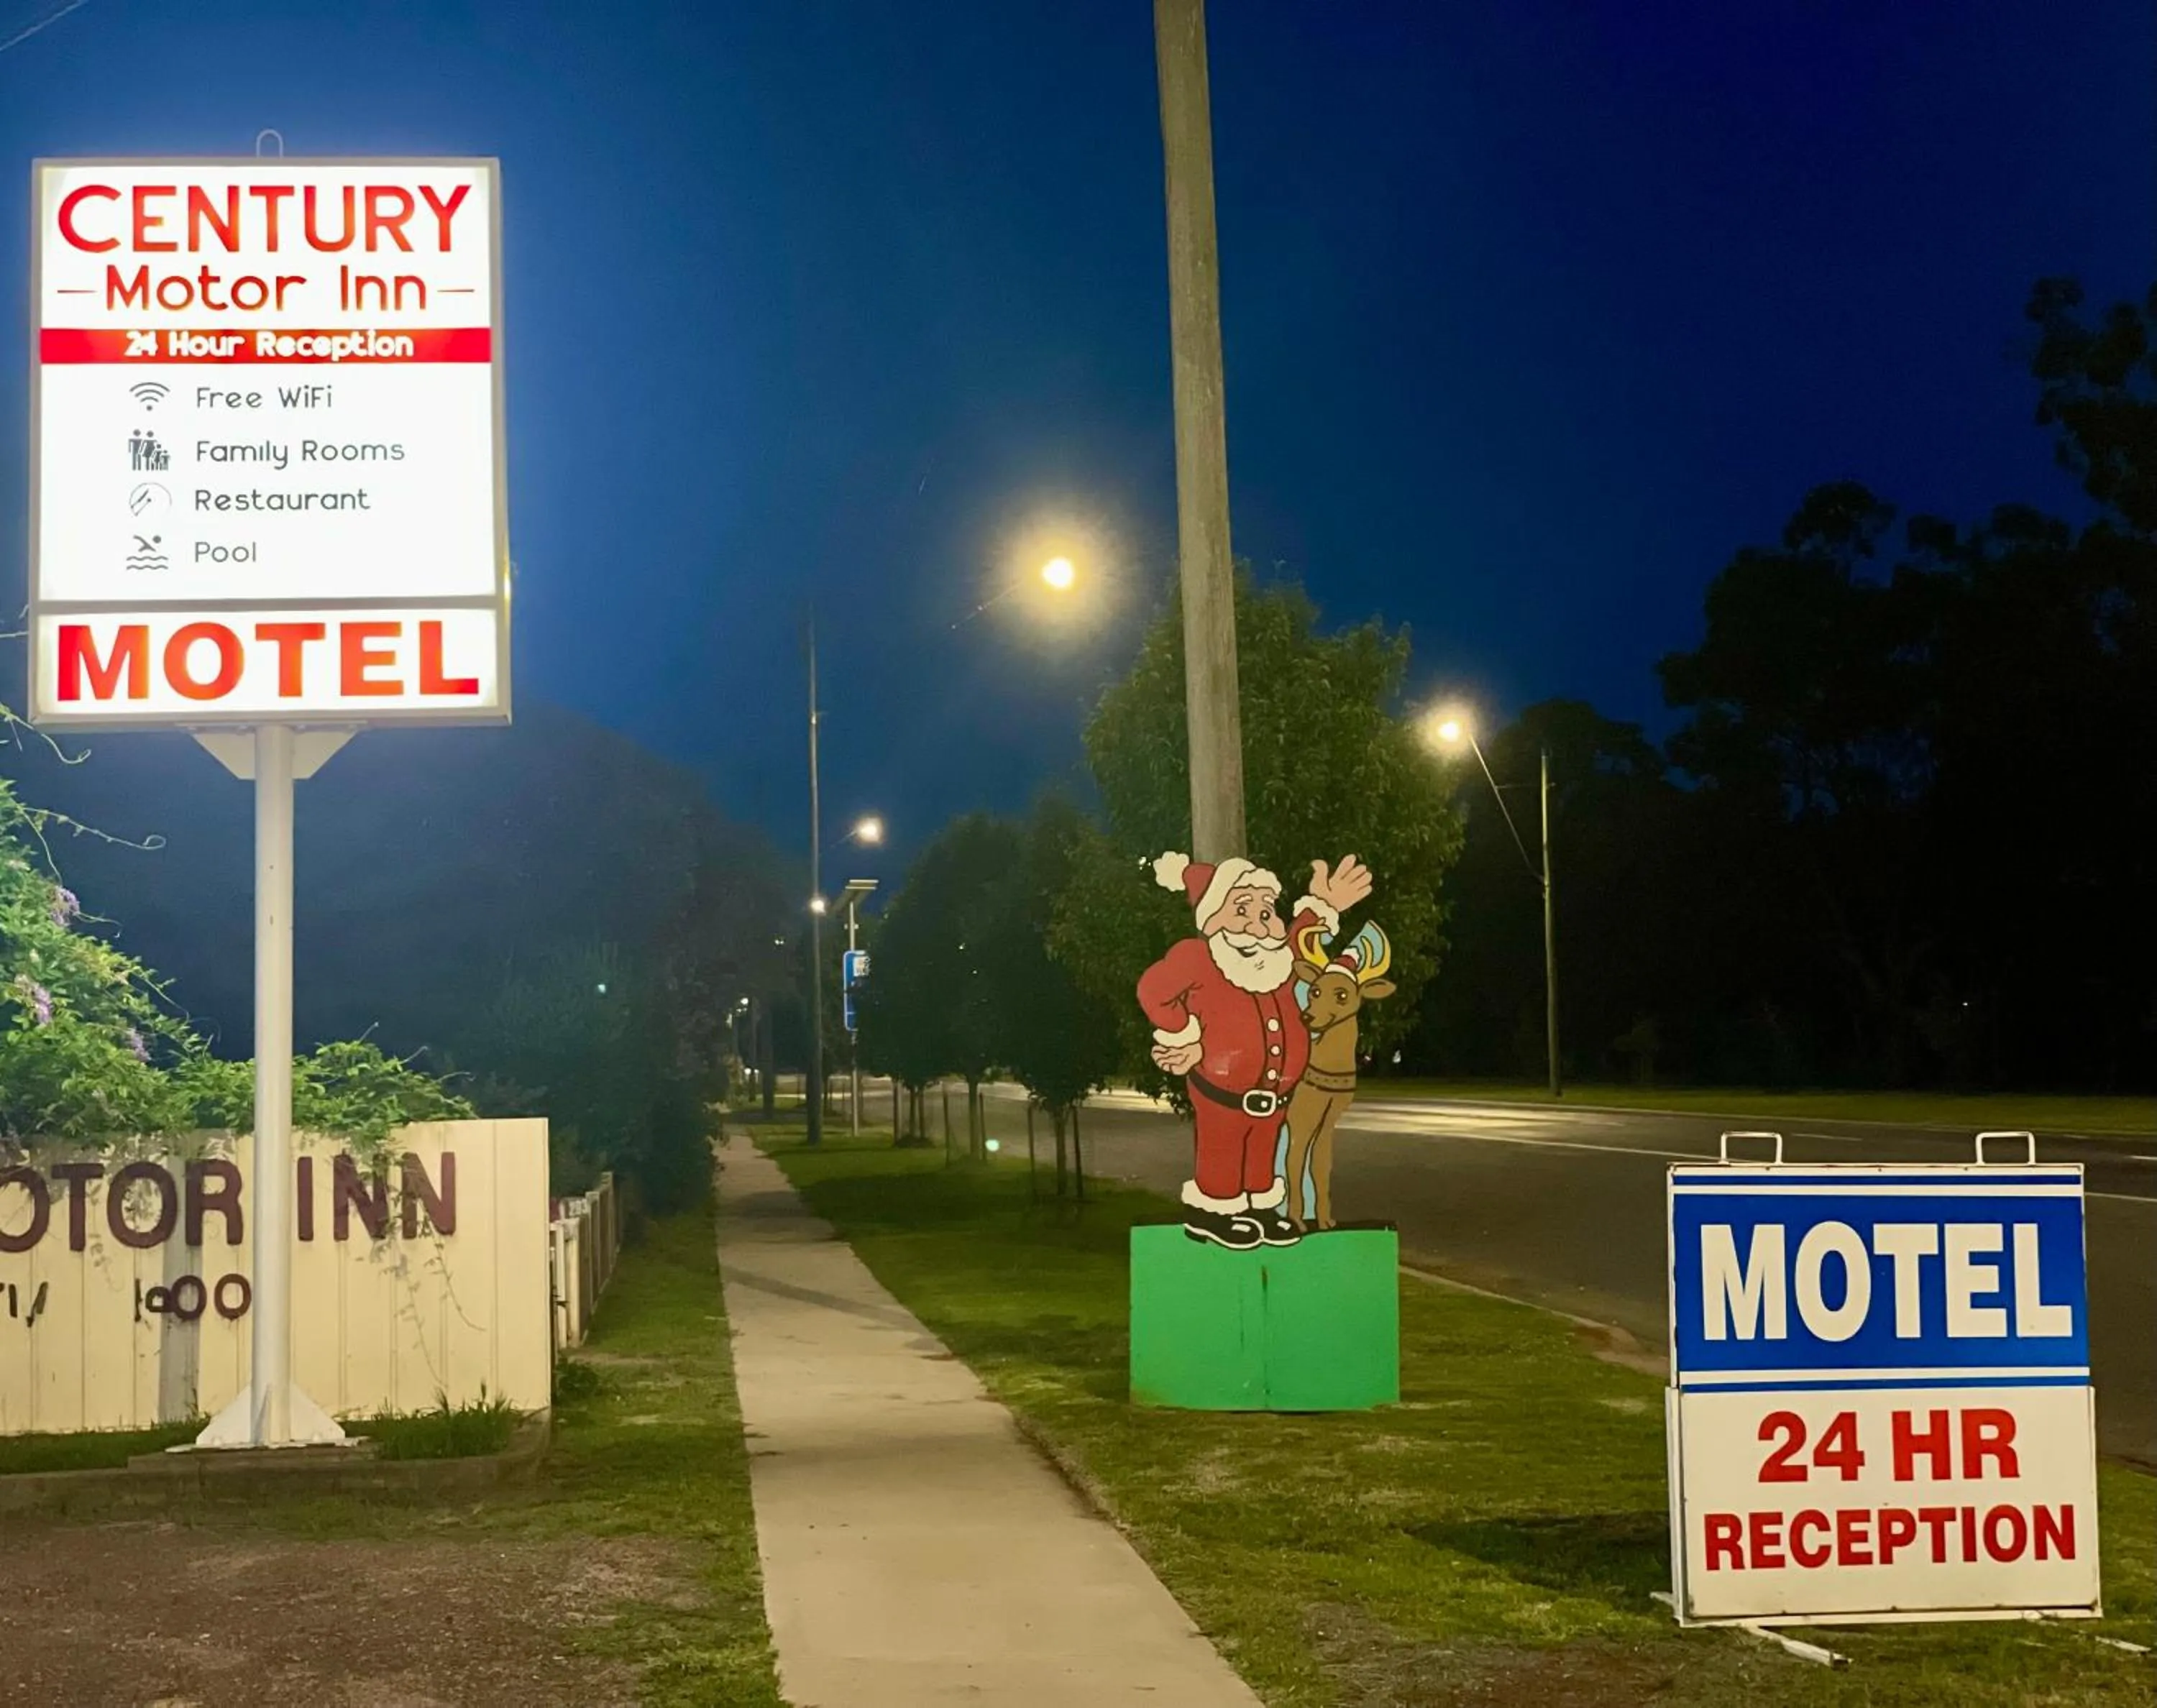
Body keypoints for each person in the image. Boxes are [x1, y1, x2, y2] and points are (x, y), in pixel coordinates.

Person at [1135, 852, 1373, 1248]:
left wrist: (1326, 905)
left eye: (1266, 911)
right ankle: (1215, 1210)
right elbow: (1153, 992)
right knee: (1223, 1148)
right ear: (1212, 920)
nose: (1257, 923)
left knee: (1262, 1148)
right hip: (1221, 1093)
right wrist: (1185, 1035)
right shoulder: (1200, 959)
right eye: (1241, 908)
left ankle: (1259, 1207)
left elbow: (1301, 934)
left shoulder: (1279, 961)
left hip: (1274, 1096)